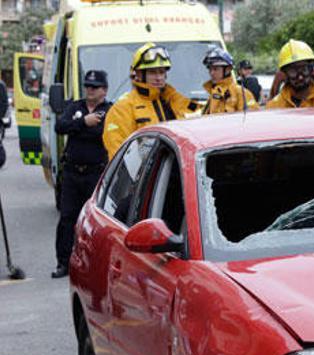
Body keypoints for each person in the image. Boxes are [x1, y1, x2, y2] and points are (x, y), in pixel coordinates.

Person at [52, 70, 113, 279]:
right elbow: (60, 126)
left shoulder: (110, 110)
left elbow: (100, 133)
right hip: (72, 173)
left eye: (94, 87)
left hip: (95, 173)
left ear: (104, 90)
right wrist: (83, 123)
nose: (89, 90)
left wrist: (78, 129)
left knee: (94, 222)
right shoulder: (76, 107)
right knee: (67, 218)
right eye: (87, 86)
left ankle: (92, 265)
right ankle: (63, 263)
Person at [103, 42, 202, 160]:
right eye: (152, 72)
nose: (159, 77)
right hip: (148, 175)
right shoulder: (122, 108)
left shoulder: (174, 100)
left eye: (161, 72)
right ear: (139, 74)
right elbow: (118, 154)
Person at [266, 40, 314, 109]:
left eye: (304, 69)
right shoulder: (274, 107)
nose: (300, 77)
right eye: (293, 71)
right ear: (285, 73)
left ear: (311, 69)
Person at [202, 47, 258, 115]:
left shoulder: (241, 93)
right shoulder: (214, 94)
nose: (211, 73)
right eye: (210, 69)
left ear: (228, 69)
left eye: (215, 69)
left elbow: (250, 120)